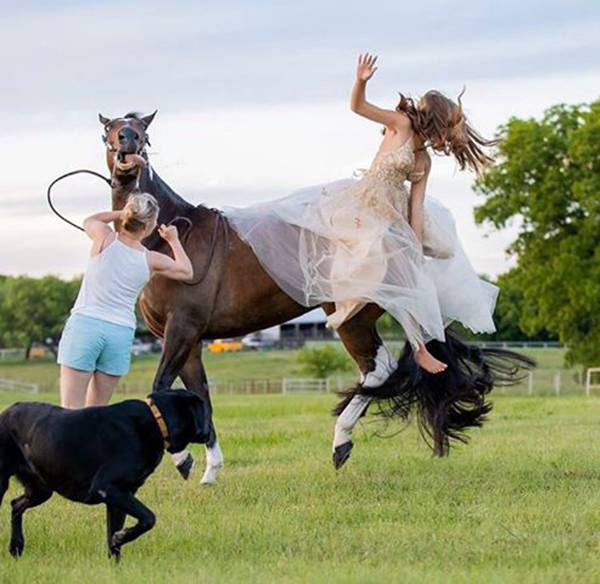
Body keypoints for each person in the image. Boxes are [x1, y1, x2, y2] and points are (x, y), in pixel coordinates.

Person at [225, 53, 499, 374]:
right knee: (357, 253)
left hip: (391, 216)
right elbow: (358, 107)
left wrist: (414, 248)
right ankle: (342, 305)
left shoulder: (424, 162)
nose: (444, 141)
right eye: (445, 129)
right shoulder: (401, 126)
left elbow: (416, 209)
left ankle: (420, 349)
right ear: (435, 121)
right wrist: (361, 80)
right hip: (361, 205)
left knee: (409, 275)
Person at [58, 192, 194, 409]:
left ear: (128, 217)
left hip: (85, 327)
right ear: (148, 226)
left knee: (69, 411)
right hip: (119, 334)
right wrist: (174, 240)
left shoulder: (104, 237)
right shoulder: (151, 259)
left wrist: (121, 213)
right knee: (97, 413)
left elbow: (90, 220)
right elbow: (187, 272)